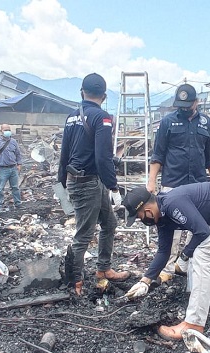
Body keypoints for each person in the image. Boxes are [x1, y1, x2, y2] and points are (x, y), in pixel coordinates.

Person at [121, 181, 210, 340]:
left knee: (202, 254)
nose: (142, 220)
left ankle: (194, 324)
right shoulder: (163, 216)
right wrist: (145, 280)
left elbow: (202, 232)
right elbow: (164, 252)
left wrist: (185, 255)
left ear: (147, 210)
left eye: (140, 216)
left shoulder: (172, 203)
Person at [57, 73, 128, 296]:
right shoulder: (102, 118)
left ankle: (103, 269)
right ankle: (75, 283)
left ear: (82, 92)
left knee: (109, 223)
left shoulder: (71, 117)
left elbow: (64, 152)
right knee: (84, 235)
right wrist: (114, 187)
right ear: (104, 96)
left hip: (80, 180)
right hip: (88, 183)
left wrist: (62, 182)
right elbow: (103, 157)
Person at [147, 84, 210, 283]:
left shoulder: (206, 123)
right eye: (181, 105)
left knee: (196, 225)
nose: (184, 108)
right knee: (171, 228)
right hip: (173, 183)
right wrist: (151, 181)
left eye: (188, 104)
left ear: (197, 102)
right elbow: (158, 154)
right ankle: (167, 268)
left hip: (198, 185)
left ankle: (187, 264)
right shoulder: (168, 122)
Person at [0, 124, 22, 212]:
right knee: (0, 188)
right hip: (2, 169)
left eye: (8, 129)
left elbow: (18, 153)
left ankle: (18, 204)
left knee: (15, 187)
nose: (7, 131)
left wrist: (19, 164)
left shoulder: (13, 142)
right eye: (5, 130)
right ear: (1, 131)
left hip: (13, 168)